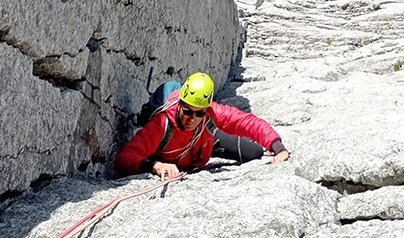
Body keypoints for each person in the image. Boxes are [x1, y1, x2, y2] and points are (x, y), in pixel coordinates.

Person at [115, 72, 290, 179]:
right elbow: (124, 158)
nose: (192, 118)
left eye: (199, 113)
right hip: (183, 150)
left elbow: (246, 122)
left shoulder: (210, 113)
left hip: (203, 145)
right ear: (180, 104)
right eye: (187, 111)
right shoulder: (162, 124)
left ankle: (210, 144)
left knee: (255, 153)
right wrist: (154, 166)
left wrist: (278, 147)